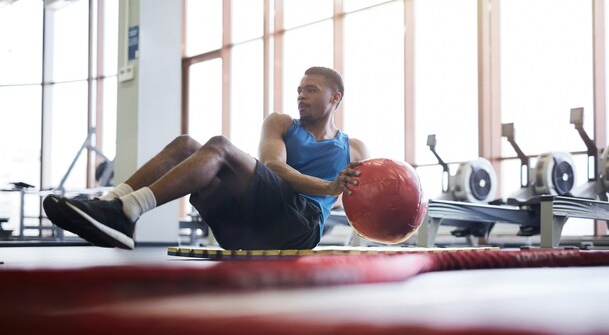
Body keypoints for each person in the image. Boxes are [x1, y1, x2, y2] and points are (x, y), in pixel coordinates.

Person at [44, 66, 370, 250]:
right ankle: (114, 204)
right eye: (299, 90)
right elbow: (273, 166)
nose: (301, 96)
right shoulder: (281, 123)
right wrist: (329, 186)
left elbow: (370, 201)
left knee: (219, 147)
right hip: (248, 228)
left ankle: (126, 210)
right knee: (187, 144)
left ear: (335, 97)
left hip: (299, 228)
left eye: (310, 90)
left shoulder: (352, 148)